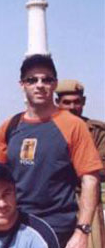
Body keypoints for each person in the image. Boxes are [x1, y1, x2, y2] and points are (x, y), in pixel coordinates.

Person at [0, 54, 103, 248]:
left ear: (54, 84)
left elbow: (90, 179)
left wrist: (82, 231)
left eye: (46, 79)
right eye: (32, 80)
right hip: (15, 227)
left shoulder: (73, 125)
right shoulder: (9, 126)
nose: (39, 85)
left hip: (57, 229)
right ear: (22, 85)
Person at [55, 79, 105, 248]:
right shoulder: (46, 130)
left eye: (76, 102)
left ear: (83, 102)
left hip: (86, 200)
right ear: (57, 103)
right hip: (53, 202)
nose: (72, 107)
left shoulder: (97, 132)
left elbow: (101, 170)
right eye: (66, 102)